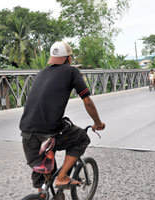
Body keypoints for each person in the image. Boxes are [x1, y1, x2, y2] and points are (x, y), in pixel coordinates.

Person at [19, 41, 105, 196]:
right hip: (49, 132)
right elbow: (87, 101)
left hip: (27, 132)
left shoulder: (41, 73)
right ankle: (63, 176)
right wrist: (98, 123)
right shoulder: (71, 72)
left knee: (43, 171)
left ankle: (42, 195)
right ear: (68, 58)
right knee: (82, 138)